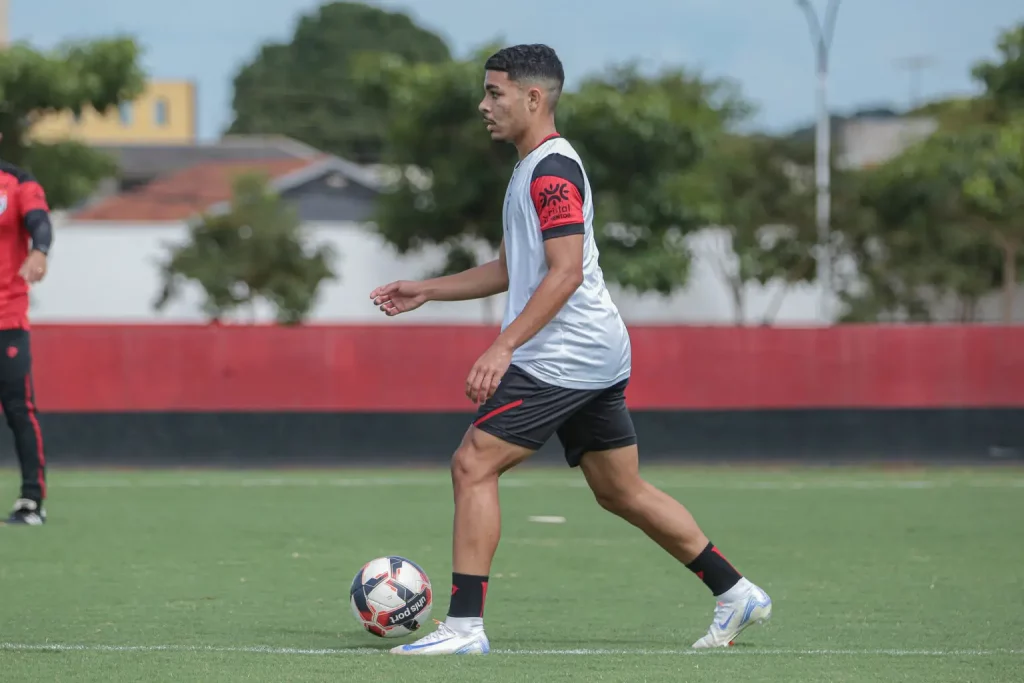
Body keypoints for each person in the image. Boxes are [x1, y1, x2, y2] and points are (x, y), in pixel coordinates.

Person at [369, 44, 771, 655]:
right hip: (593, 351)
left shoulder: (552, 172)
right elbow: (513, 269)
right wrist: (426, 288)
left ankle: (465, 627)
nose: (483, 105)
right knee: (619, 490)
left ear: (533, 98)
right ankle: (736, 592)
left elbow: (565, 273)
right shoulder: (529, 168)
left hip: (566, 353)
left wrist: (503, 347)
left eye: (495, 93)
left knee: (473, 463)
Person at [0, 151, 53, 526]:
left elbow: (40, 222)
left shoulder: (18, 183)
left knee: (19, 409)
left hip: (7, 319)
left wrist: (40, 250)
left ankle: (32, 500)